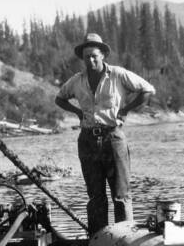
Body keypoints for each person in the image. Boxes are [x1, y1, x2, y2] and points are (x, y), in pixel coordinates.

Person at [55, 33, 155, 235]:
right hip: (87, 140)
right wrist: (77, 112)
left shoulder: (118, 75)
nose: (90, 60)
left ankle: (125, 243)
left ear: (102, 56)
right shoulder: (77, 81)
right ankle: (97, 245)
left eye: (94, 56)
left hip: (113, 138)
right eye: (86, 57)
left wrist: (125, 110)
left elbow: (147, 90)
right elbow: (60, 98)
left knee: (121, 195)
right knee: (96, 197)